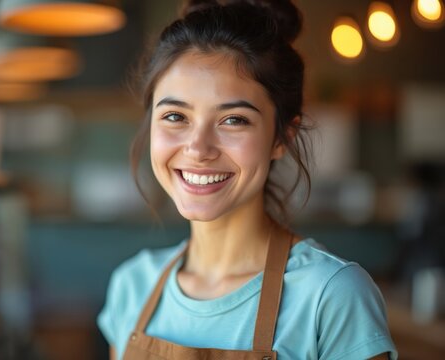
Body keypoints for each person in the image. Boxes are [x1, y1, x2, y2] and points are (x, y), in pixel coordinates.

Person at [98, 0, 398, 359]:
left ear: (281, 138)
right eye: (175, 116)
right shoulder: (133, 286)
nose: (198, 148)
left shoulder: (331, 296)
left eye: (233, 120)